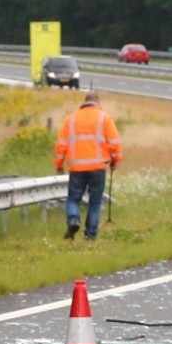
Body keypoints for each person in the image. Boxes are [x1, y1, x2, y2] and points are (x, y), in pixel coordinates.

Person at [54, 91, 122, 241]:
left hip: (76, 168)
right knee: (95, 202)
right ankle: (90, 235)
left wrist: (59, 165)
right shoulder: (104, 118)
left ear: (84, 103)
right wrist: (115, 161)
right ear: (98, 104)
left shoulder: (71, 118)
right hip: (97, 168)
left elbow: (61, 145)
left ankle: (73, 220)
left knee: (73, 199)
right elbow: (115, 143)